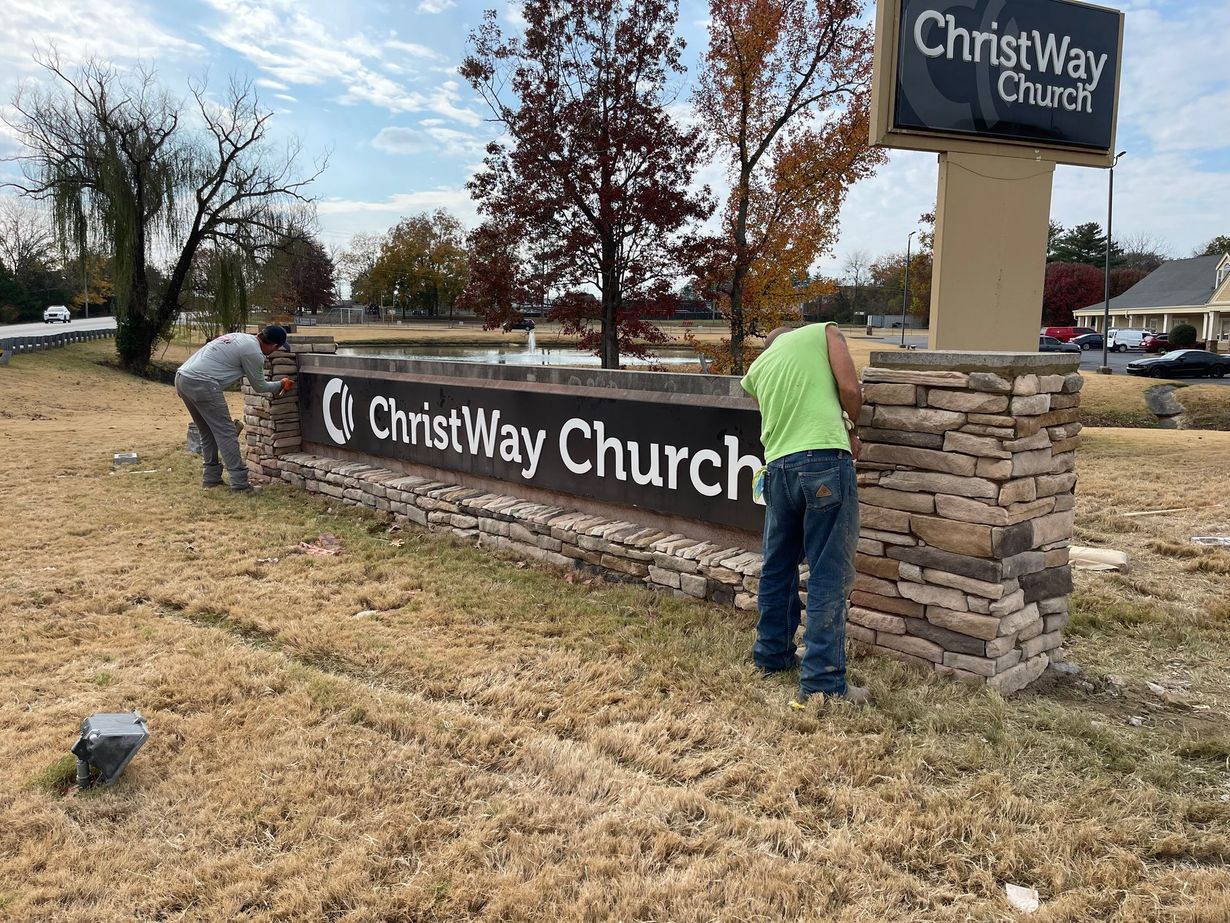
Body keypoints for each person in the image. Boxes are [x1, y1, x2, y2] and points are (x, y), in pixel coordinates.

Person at [740, 322, 868, 704]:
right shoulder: (823, 332)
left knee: (778, 566)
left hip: (777, 469)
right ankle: (823, 683)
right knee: (829, 572)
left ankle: (771, 655)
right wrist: (851, 426)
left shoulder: (758, 368)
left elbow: (778, 416)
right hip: (824, 461)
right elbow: (850, 389)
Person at [175, 325, 293, 492]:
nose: (276, 351)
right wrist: (280, 384)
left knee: (207, 431)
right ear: (273, 345)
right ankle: (240, 484)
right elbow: (259, 386)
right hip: (203, 383)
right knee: (226, 433)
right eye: (278, 348)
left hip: (183, 378)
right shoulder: (254, 352)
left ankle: (211, 478)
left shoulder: (240, 337)